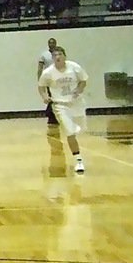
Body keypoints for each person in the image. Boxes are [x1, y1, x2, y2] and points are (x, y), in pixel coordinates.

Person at [38, 46, 88, 174]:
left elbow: (83, 80)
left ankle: (76, 152)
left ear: (65, 56)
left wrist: (79, 90)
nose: (58, 57)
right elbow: (41, 86)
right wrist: (45, 96)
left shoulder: (74, 67)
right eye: (55, 55)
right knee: (70, 132)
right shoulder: (48, 72)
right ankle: (78, 160)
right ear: (53, 58)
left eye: (60, 54)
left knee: (80, 130)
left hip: (76, 103)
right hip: (60, 105)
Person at [37, 36, 59, 126]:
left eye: (53, 43)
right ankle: (50, 115)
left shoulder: (59, 54)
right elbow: (40, 68)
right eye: (50, 43)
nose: (51, 44)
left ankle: (52, 115)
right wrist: (39, 79)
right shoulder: (44, 55)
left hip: (58, 78)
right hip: (49, 79)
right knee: (51, 96)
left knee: (57, 97)